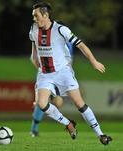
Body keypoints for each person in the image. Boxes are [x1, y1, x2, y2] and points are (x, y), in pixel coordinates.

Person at [29, 2, 112, 145]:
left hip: (63, 73)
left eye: (36, 16)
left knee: (80, 104)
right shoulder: (33, 29)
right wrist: (35, 60)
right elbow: (34, 50)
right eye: (33, 16)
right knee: (41, 104)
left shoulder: (61, 30)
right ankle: (68, 124)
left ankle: (101, 135)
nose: (34, 19)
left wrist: (93, 61)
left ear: (45, 15)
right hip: (45, 74)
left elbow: (81, 45)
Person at [30, 42, 73, 137]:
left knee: (58, 102)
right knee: (41, 102)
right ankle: (34, 129)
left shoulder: (68, 43)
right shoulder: (46, 39)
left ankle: (51, 114)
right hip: (45, 75)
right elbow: (34, 58)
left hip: (59, 76)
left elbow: (68, 61)